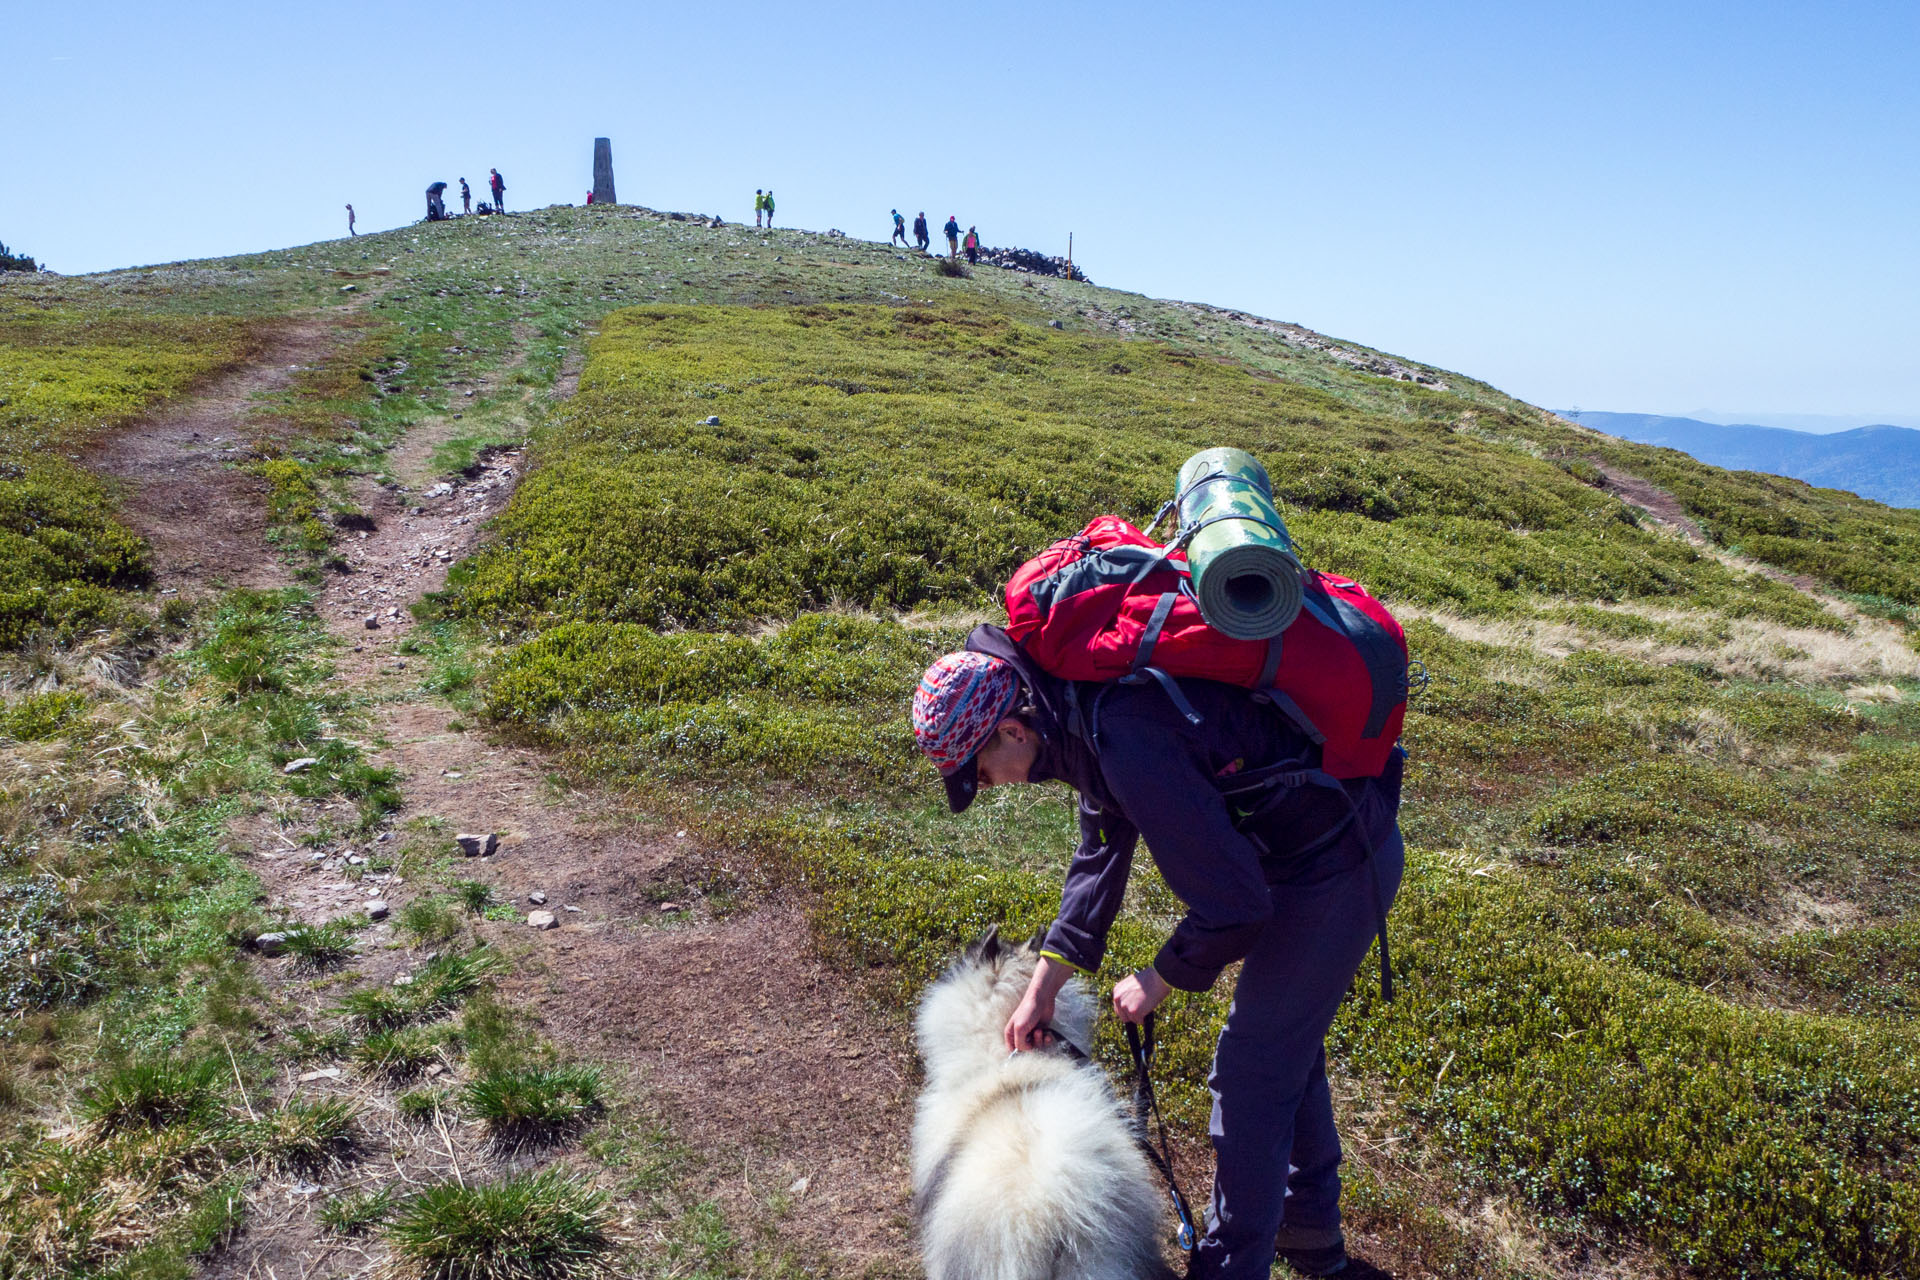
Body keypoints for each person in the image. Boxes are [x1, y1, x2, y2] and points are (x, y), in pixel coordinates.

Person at [910, 634, 1405, 1280]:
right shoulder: (1080, 713)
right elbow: (1102, 848)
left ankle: (1231, 1266)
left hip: (1337, 862)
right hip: (1296, 851)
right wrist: (1045, 985)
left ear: (1010, 730)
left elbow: (1236, 907)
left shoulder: (1121, 735)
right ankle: (1306, 1225)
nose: (991, 787)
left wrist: (1158, 977)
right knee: (1283, 1041)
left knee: (1252, 1069)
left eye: (979, 772)